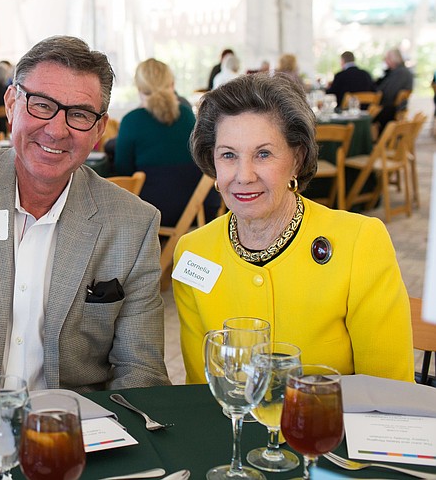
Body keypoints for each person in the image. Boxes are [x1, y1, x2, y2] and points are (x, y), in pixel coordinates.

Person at [0, 35, 170, 392]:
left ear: (99, 129)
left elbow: (140, 370)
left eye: (79, 114)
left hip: (73, 432)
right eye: (41, 105)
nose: (56, 130)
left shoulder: (133, 223)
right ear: (12, 104)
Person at [172, 72, 413, 384]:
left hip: (330, 431)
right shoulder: (193, 251)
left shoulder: (359, 243)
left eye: (263, 154)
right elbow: (202, 394)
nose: (244, 176)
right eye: (228, 155)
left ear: (297, 160)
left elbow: (388, 394)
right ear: (212, 161)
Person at [115, 58, 217, 226]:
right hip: (196, 211)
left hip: (153, 214)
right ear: (172, 84)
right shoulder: (186, 114)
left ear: (140, 88)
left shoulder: (131, 121)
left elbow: (123, 171)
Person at [374, 47, 414, 133]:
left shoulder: (400, 73)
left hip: (392, 110)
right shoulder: (396, 72)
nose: (384, 61)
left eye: (386, 58)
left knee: (367, 115)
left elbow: (388, 94)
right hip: (392, 108)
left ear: (393, 59)